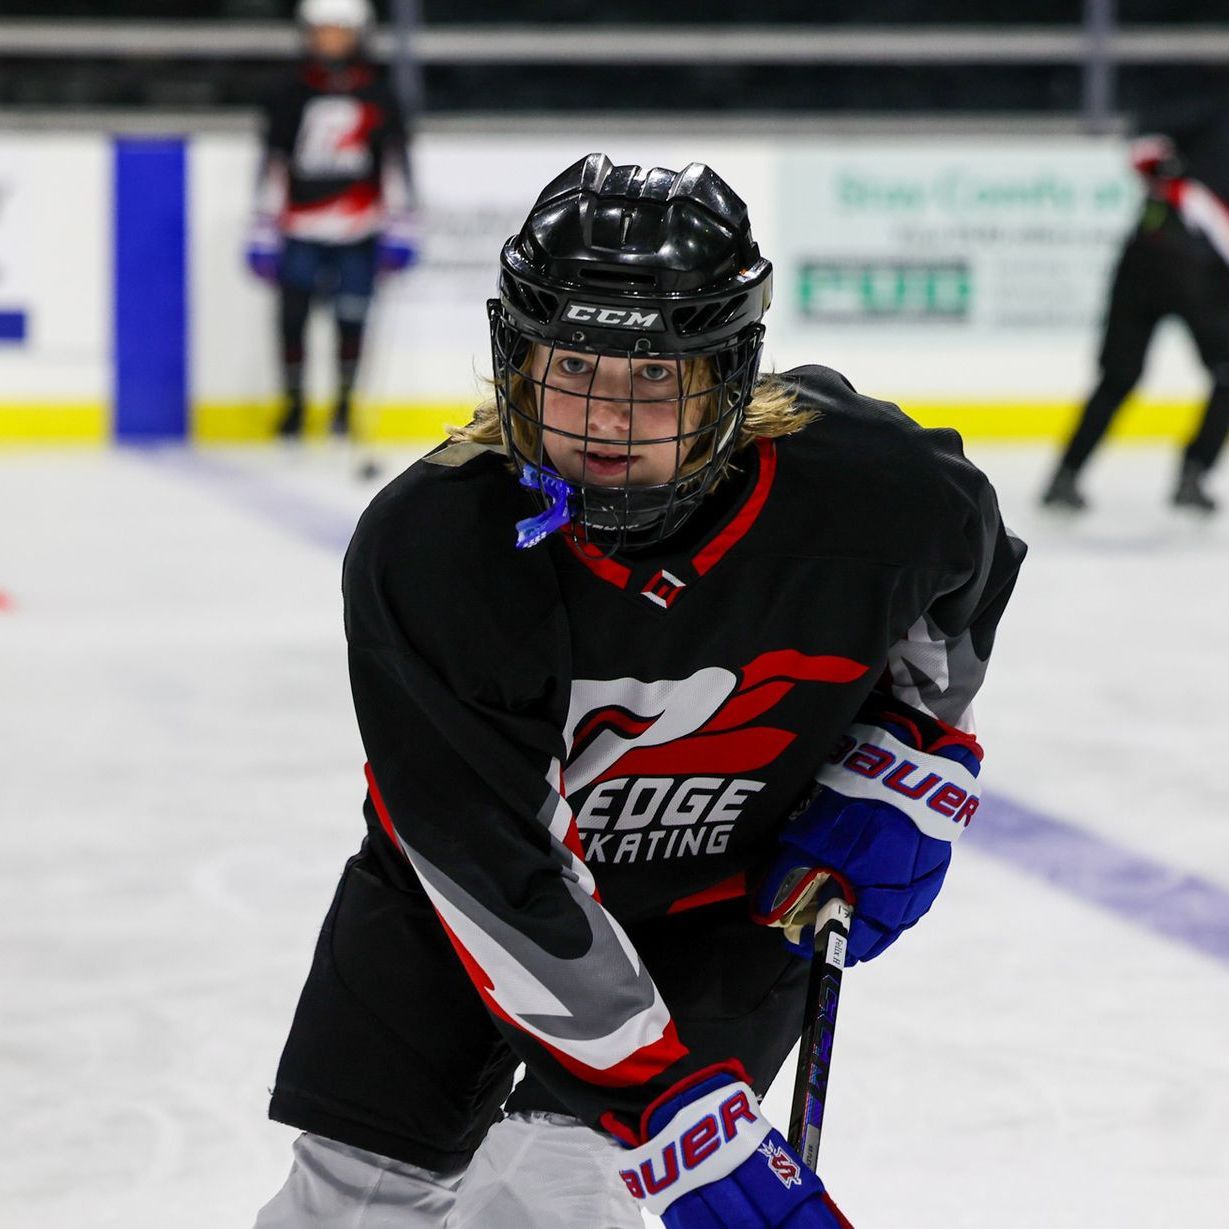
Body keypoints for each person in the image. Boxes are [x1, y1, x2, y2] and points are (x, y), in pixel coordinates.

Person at [254, 153, 1026, 1229]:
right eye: (571, 363)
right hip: (465, 907)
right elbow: (487, 859)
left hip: (720, 908)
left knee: (558, 1198)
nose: (604, 417)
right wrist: (665, 1102)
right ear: (515, 359)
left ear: (725, 375)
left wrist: (908, 754)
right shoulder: (434, 545)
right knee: (354, 1201)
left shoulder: (871, 492)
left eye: (653, 376)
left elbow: (962, 576)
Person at [244, 0, 418, 440]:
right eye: (321, 31)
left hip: (359, 228)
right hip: (300, 226)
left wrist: (401, 226)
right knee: (292, 320)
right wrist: (262, 228)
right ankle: (294, 405)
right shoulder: (288, 91)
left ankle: (343, 406)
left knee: (352, 319)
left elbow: (395, 165)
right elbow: (273, 162)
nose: (329, 41)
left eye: (339, 31)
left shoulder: (379, 93)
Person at [1041, 110, 1229, 513]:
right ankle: (1192, 474)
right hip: (1188, 277)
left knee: (1118, 378)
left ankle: (1066, 475)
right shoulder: (1200, 168)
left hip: (1149, 270)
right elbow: (1147, 149)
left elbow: (1146, 149)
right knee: (1218, 374)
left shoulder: (1197, 137)